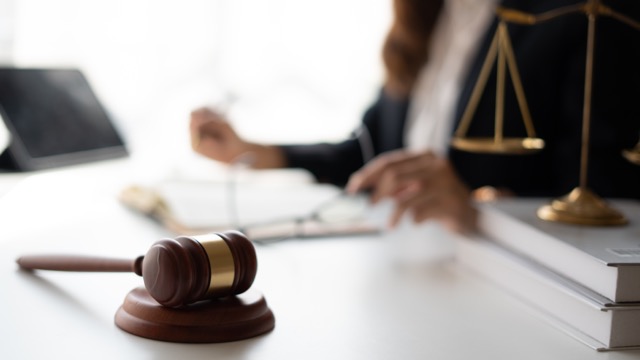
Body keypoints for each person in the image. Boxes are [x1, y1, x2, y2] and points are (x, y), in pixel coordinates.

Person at [190, 0, 640, 234]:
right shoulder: (425, 20)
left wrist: (474, 207)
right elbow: (368, 154)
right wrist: (256, 152)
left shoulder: (577, 17)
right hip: (407, 267)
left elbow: (607, 201)